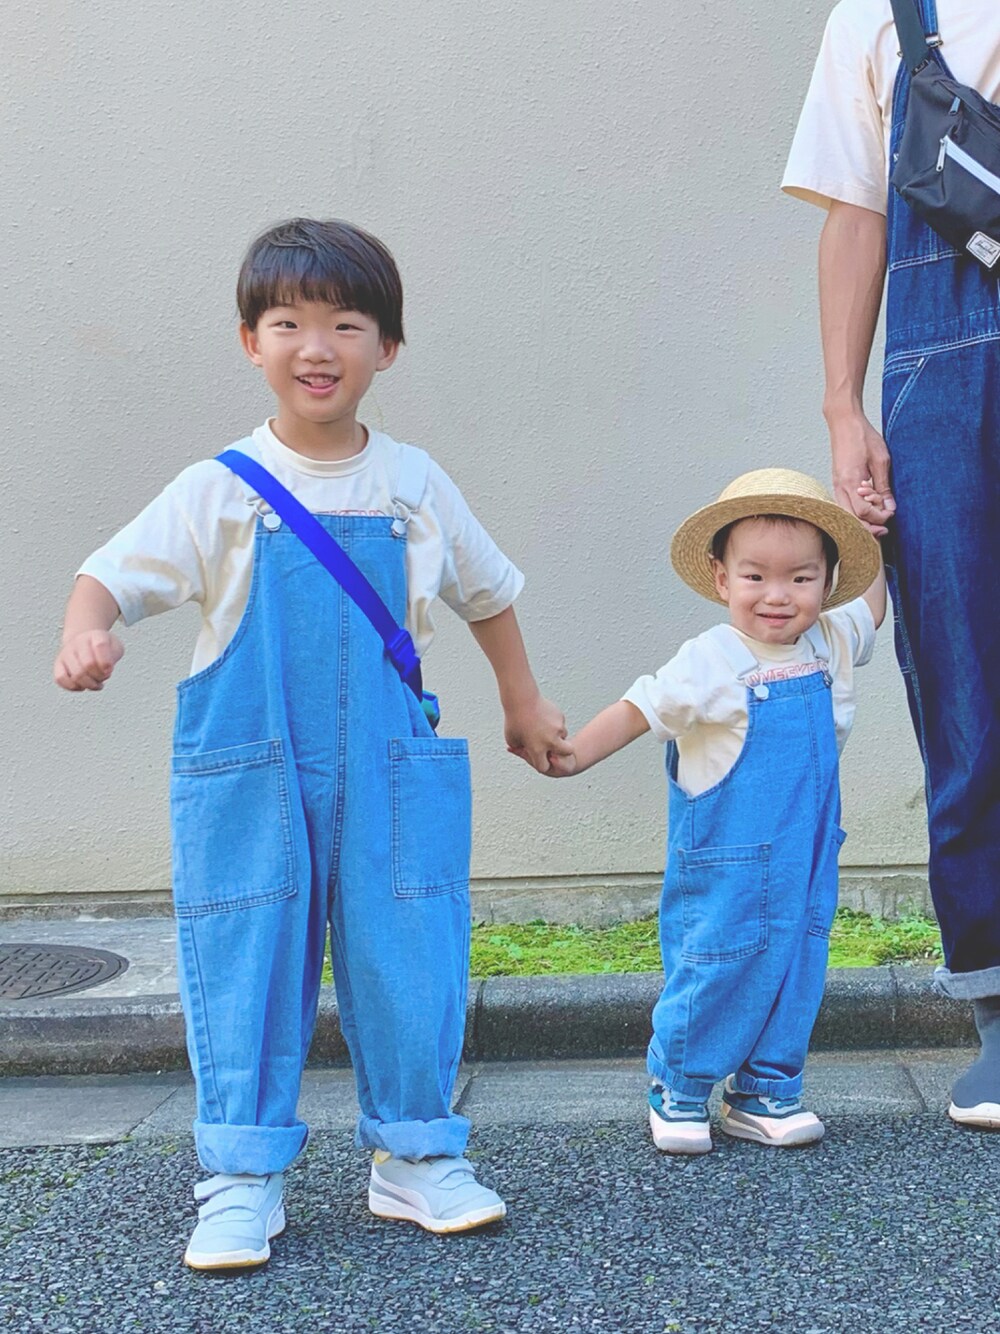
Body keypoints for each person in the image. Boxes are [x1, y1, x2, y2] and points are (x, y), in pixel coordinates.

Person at [52, 217, 569, 1269]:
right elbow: (107, 572)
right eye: (287, 322)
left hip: (389, 764)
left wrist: (522, 702)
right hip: (253, 765)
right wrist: (85, 629)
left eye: (347, 322)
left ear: (389, 346)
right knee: (245, 955)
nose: (316, 346)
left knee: (411, 953)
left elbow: (489, 593)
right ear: (251, 342)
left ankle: (417, 1154)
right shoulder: (220, 487)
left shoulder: (414, 483)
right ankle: (240, 1177)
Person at [784, 0, 1000, 1128]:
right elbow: (856, 209)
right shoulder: (880, 15)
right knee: (965, 685)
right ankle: (998, 1010)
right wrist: (842, 405)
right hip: (941, 371)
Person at [546, 469, 884, 1153]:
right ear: (722, 577)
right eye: (755, 576)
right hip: (727, 857)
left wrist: (871, 534)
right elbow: (640, 708)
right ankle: (679, 1084)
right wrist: (575, 754)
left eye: (801, 578)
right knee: (717, 961)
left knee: (798, 960)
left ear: (827, 582)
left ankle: (766, 1089)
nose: (777, 595)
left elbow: (872, 606)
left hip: (807, 849)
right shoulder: (711, 658)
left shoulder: (831, 641)